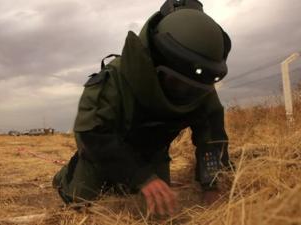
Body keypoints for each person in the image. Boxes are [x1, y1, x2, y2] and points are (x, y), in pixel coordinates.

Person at [53, 0, 233, 216]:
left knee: (159, 214)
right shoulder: (115, 79)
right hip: (104, 154)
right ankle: (64, 179)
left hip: (153, 155)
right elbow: (91, 135)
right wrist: (141, 177)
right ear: (156, 62)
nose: (185, 92)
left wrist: (211, 185)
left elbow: (211, 138)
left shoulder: (200, 86)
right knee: (81, 206)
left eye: (192, 87)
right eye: (176, 82)